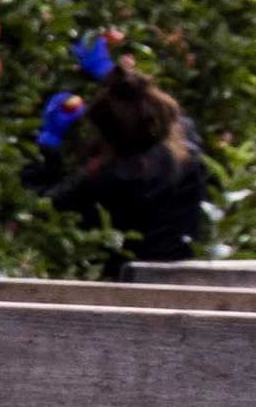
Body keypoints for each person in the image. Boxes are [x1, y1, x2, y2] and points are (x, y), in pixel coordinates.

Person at [29, 39, 212, 270]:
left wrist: (49, 143)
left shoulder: (105, 181)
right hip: (175, 279)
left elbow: (38, 208)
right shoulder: (187, 158)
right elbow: (175, 122)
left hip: (124, 291)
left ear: (106, 137)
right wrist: (114, 78)